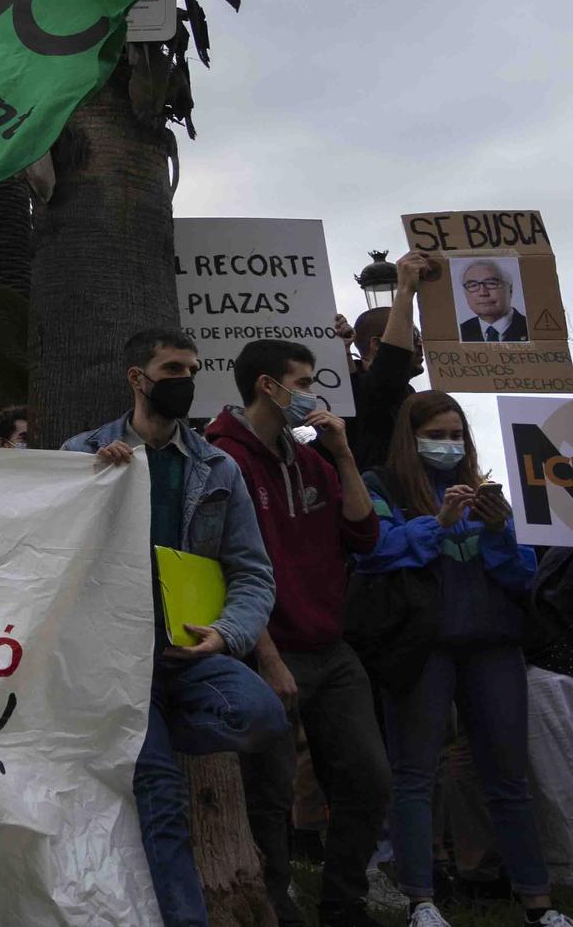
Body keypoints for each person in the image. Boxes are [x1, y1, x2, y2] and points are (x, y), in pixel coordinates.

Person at [63, 328, 284, 927]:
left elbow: (252, 572)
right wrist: (91, 485)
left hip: (189, 655)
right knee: (162, 803)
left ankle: (145, 733)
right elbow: (47, 554)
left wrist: (229, 635)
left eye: (193, 368)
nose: (186, 380)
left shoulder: (218, 467)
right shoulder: (81, 453)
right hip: (116, 662)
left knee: (261, 716)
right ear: (138, 377)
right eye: (172, 369)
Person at [354, 392, 568, 927]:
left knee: (508, 778)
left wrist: (497, 530)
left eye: (457, 436)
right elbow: (374, 552)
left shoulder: (488, 492)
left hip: (493, 644)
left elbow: (523, 577)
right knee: (415, 774)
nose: (449, 446)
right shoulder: (382, 485)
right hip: (422, 648)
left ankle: (537, 903)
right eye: (439, 435)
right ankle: (420, 899)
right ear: (412, 435)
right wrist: (440, 521)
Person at [205, 339, 387, 927]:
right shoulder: (220, 455)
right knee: (269, 792)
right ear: (267, 385)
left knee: (366, 776)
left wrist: (344, 454)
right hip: (267, 651)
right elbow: (223, 566)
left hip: (330, 648)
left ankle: (344, 902)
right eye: (303, 382)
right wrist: (268, 656)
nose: (311, 394)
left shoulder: (310, 459)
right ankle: (275, 902)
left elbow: (363, 536)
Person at [346, 251, 432, 472]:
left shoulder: (408, 392)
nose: (420, 345)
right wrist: (404, 291)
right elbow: (392, 364)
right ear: (377, 344)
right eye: (413, 337)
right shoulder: (357, 391)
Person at [458, 258, 528, 343]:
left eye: (491, 283)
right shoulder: (459, 332)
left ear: (510, 289)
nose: (483, 293)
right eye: (473, 285)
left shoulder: (530, 328)